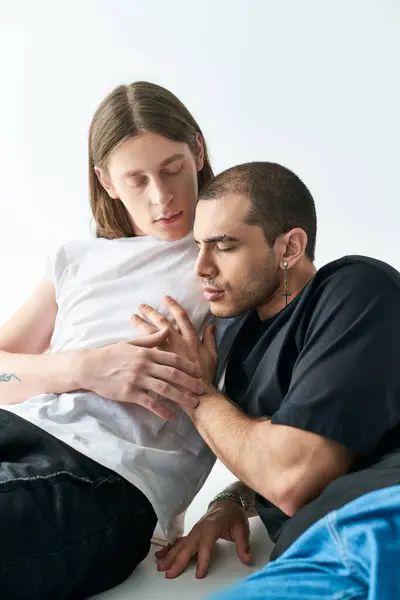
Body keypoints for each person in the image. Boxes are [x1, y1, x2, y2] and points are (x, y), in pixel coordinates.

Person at [131, 162, 400, 596]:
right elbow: (320, 445)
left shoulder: (354, 288)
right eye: (199, 246)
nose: (200, 267)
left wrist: (195, 391)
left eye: (224, 246)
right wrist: (233, 498)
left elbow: (290, 477)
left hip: (377, 522)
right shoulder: (237, 345)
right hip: (313, 551)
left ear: (289, 247)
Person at [0, 81, 218, 599]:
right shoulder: (76, 258)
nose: (161, 197)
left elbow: (285, 406)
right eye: (137, 179)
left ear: (199, 151)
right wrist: (86, 368)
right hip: (17, 423)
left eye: (172, 169)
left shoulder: (229, 258)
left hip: (101, 474)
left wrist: (232, 501)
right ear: (107, 181)